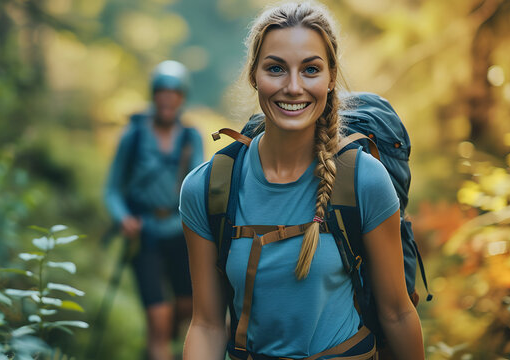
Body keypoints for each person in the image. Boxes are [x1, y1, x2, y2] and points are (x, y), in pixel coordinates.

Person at [179, 2, 424, 359]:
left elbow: (397, 313)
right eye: (276, 68)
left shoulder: (364, 180)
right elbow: (207, 325)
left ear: (330, 77)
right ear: (254, 75)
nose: (293, 87)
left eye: (310, 69)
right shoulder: (207, 189)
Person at [104, 60, 204, 360]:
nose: (168, 98)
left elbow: (199, 183)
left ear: (182, 98)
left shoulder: (191, 138)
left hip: (180, 233)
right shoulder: (133, 136)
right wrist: (123, 217)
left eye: (174, 93)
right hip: (144, 235)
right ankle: (157, 345)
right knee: (158, 322)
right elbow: (112, 189)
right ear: (154, 95)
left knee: (188, 309)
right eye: (162, 92)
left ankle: (160, 344)